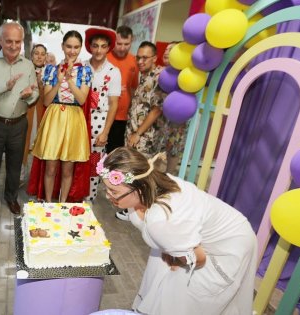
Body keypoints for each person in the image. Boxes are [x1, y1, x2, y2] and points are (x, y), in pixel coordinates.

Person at [98, 147, 257, 314]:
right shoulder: (153, 184)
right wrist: (173, 248)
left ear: (139, 188)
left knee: (187, 299)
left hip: (229, 244)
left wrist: (177, 258)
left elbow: (198, 258)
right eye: (106, 189)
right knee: (162, 280)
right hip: (197, 234)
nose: (108, 196)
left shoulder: (159, 221)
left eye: (114, 191)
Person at [0, 22, 39, 216]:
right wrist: (5, 86)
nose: (14, 46)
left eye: (18, 42)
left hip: (19, 123)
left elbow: (35, 92)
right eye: (9, 41)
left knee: (15, 164)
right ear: (1, 41)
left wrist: (30, 94)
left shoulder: (28, 64)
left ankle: (11, 197)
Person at [30, 30, 91, 202]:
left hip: (73, 117)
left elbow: (81, 99)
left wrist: (70, 80)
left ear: (80, 48)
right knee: (50, 167)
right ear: (62, 46)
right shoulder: (51, 69)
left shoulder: (85, 70)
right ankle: (49, 202)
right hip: (54, 117)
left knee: (67, 169)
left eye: (76, 47)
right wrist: (59, 80)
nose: (72, 51)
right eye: (69, 46)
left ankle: (62, 203)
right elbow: (47, 101)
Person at [116, 41, 167, 221]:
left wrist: (138, 133)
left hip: (145, 136)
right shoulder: (144, 75)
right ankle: (133, 209)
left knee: (142, 173)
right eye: (138, 57)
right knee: (135, 170)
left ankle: (139, 211)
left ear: (154, 58)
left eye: (145, 58)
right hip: (134, 132)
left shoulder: (160, 76)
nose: (140, 61)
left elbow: (156, 109)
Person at [83, 27, 121, 201]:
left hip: (100, 122)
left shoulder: (114, 72)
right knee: (76, 160)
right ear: (90, 46)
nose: (99, 50)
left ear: (108, 48)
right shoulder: (82, 66)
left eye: (103, 46)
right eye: (95, 46)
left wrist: (105, 132)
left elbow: (114, 105)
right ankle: (74, 194)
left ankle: (89, 199)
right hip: (80, 119)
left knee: (94, 162)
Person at [106, 25, 138, 155]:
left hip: (123, 116)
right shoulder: (105, 57)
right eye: (119, 44)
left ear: (132, 41)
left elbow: (134, 88)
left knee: (116, 153)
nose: (122, 48)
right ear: (114, 41)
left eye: (126, 44)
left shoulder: (134, 61)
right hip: (104, 113)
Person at [22, 43, 47, 180]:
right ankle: (20, 176)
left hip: (43, 112)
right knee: (24, 143)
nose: (39, 56)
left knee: (40, 146)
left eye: (42, 54)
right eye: (36, 53)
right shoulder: (25, 70)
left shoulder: (49, 72)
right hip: (27, 112)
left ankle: (37, 179)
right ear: (31, 55)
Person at [162, 41, 186, 175]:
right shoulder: (159, 72)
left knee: (174, 148)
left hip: (176, 121)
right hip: (159, 119)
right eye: (166, 49)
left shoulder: (184, 75)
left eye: (171, 50)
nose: (166, 52)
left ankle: (169, 176)